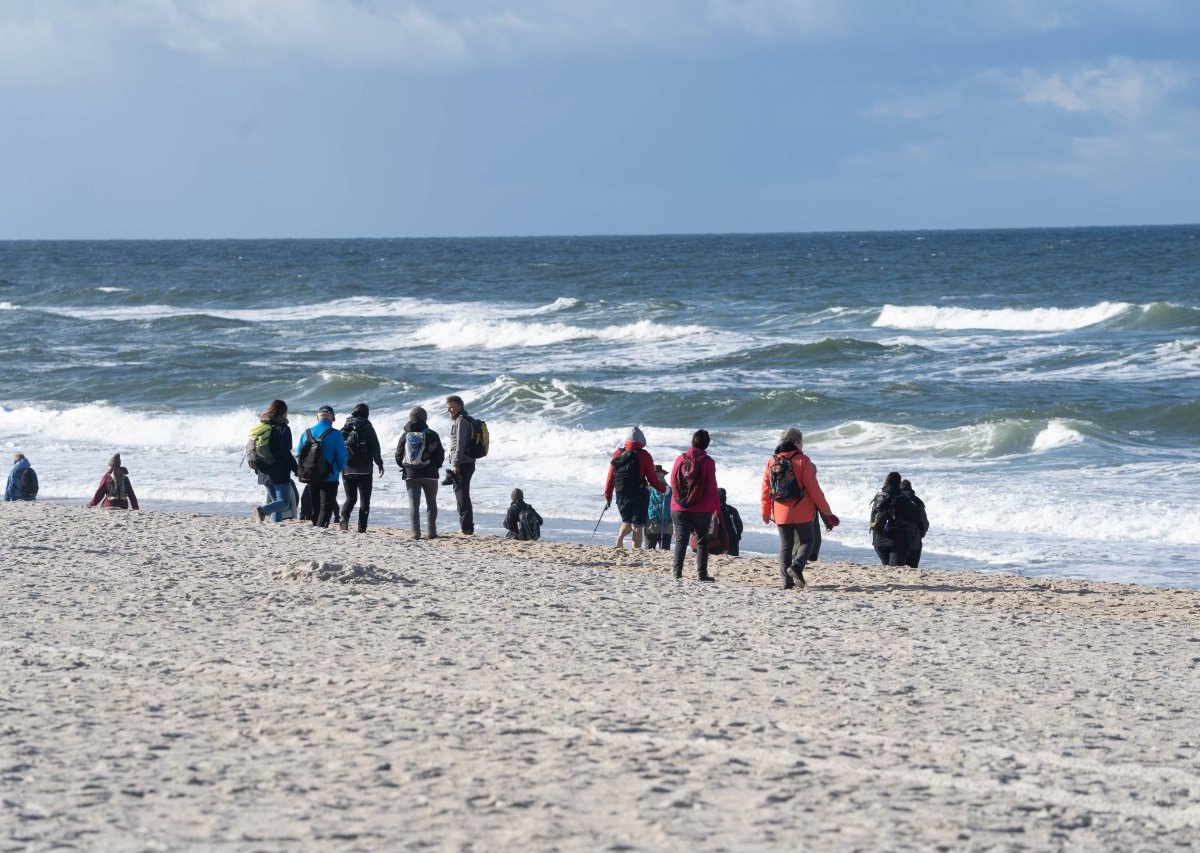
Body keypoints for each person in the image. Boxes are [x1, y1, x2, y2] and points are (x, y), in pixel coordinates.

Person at [760, 428, 839, 590]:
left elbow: (765, 489)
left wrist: (766, 511)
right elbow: (813, 489)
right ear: (796, 442)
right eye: (801, 442)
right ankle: (796, 566)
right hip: (801, 511)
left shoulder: (771, 461)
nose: (803, 445)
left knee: (785, 546)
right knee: (808, 541)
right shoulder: (803, 460)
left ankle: (786, 583)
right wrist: (827, 511)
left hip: (780, 511)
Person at [603, 426, 667, 550]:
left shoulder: (617, 453)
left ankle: (619, 540)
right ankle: (635, 551)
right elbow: (652, 479)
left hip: (621, 493)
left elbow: (610, 476)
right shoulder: (645, 455)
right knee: (637, 525)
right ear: (642, 441)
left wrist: (608, 495)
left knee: (627, 522)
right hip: (639, 493)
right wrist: (664, 489)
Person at [669, 429, 720, 582]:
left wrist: (676, 501)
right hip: (701, 509)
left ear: (692, 442)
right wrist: (715, 508)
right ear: (707, 445)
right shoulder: (708, 462)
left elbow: (673, 481)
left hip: (678, 508)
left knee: (681, 541)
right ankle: (701, 574)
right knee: (702, 541)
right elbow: (712, 487)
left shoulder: (680, 459)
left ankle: (677, 573)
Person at [296, 405, 347, 528]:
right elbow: (342, 457)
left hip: (312, 476)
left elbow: (299, 455)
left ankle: (315, 527)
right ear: (332, 418)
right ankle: (320, 530)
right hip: (330, 477)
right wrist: (337, 470)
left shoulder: (306, 433)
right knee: (326, 508)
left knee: (316, 506)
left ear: (317, 417)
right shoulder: (336, 434)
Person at [398, 405, 444, 540]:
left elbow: (398, 454)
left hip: (411, 474)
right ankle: (431, 532)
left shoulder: (405, 435)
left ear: (410, 418)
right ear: (425, 419)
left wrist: (406, 466)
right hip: (430, 473)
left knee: (414, 504)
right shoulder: (432, 434)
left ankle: (415, 533)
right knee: (431, 502)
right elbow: (440, 454)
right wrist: (436, 466)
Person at [339, 402, 385, 533]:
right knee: (365, 500)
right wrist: (380, 463)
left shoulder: (345, 426)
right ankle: (361, 527)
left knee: (350, 498)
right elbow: (375, 447)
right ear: (366, 414)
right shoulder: (367, 427)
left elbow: (339, 446)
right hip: (365, 469)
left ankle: (344, 518)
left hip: (347, 468)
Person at [251, 399, 299, 523]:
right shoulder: (283, 429)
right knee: (283, 502)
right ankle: (261, 510)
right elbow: (285, 453)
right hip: (279, 471)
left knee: (275, 502)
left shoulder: (262, 427)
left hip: (263, 469)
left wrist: (257, 468)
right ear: (283, 413)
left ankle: (276, 525)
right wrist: (296, 469)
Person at [869, 471, 924, 567]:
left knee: (886, 568)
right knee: (895, 571)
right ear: (898, 483)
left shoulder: (879, 497)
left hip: (878, 540)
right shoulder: (901, 499)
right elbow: (917, 517)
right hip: (898, 541)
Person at [445, 395, 477, 535]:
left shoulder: (461, 421)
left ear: (460, 405)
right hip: (466, 462)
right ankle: (467, 526)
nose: (449, 410)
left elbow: (460, 444)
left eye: (451, 406)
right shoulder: (463, 419)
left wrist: (455, 463)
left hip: (462, 463)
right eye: (448, 407)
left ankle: (466, 528)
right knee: (462, 494)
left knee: (462, 496)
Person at [899, 478, 930, 568]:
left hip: (898, 541)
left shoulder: (896, 500)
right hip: (915, 542)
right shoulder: (918, 501)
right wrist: (921, 534)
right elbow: (925, 523)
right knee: (913, 568)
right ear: (911, 488)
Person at [644, 464, 673, 550]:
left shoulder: (647, 488)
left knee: (649, 553)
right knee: (665, 553)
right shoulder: (670, 489)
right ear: (663, 474)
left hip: (651, 526)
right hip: (667, 526)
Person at [717, 488, 744, 556]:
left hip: (717, 543)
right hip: (733, 542)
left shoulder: (712, 510)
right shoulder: (733, 510)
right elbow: (740, 527)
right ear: (725, 497)